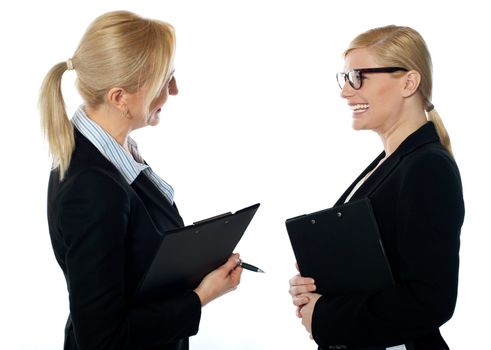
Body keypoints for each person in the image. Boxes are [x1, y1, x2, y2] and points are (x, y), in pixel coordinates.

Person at [39, 11, 243, 350]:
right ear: (120, 98)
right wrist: (201, 296)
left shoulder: (111, 154)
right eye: (166, 80)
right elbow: (103, 340)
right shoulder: (92, 186)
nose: (174, 91)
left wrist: (196, 258)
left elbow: (133, 258)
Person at [288, 25, 465, 350]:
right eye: (344, 79)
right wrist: (319, 287)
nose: (345, 91)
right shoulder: (390, 162)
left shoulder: (428, 167)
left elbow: (429, 301)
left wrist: (325, 316)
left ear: (408, 83)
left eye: (358, 77)